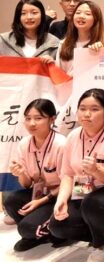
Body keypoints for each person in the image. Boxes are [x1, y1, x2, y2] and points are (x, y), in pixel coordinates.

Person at [49, 88, 104, 262]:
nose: (86, 114)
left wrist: (97, 171)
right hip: (83, 188)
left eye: (94, 109)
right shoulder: (73, 136)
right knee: (58, 226)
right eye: (82, 108)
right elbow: (68, 174)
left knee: (92, 203)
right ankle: (98, 232)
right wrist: (62, 200)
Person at [3, 99, 66, 251]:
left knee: (27, 228)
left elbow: (68, 182)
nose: (32, 123)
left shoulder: (61, 144)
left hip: (60, 196)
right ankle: (37, 234)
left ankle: (55, 232)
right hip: (39, 192)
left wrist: (41, 201)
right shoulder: (24, 144)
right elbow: (26, 184)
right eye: (28, 118)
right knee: (11, 201)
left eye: (38, 118)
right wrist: (21, 173)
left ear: (52, 119)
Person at [56, 0, 104, 75]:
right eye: (78, 13)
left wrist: (102, 53)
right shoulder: (63, 43)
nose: (81, 16)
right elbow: (58, 74)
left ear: (96, 19)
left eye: (87, 14)